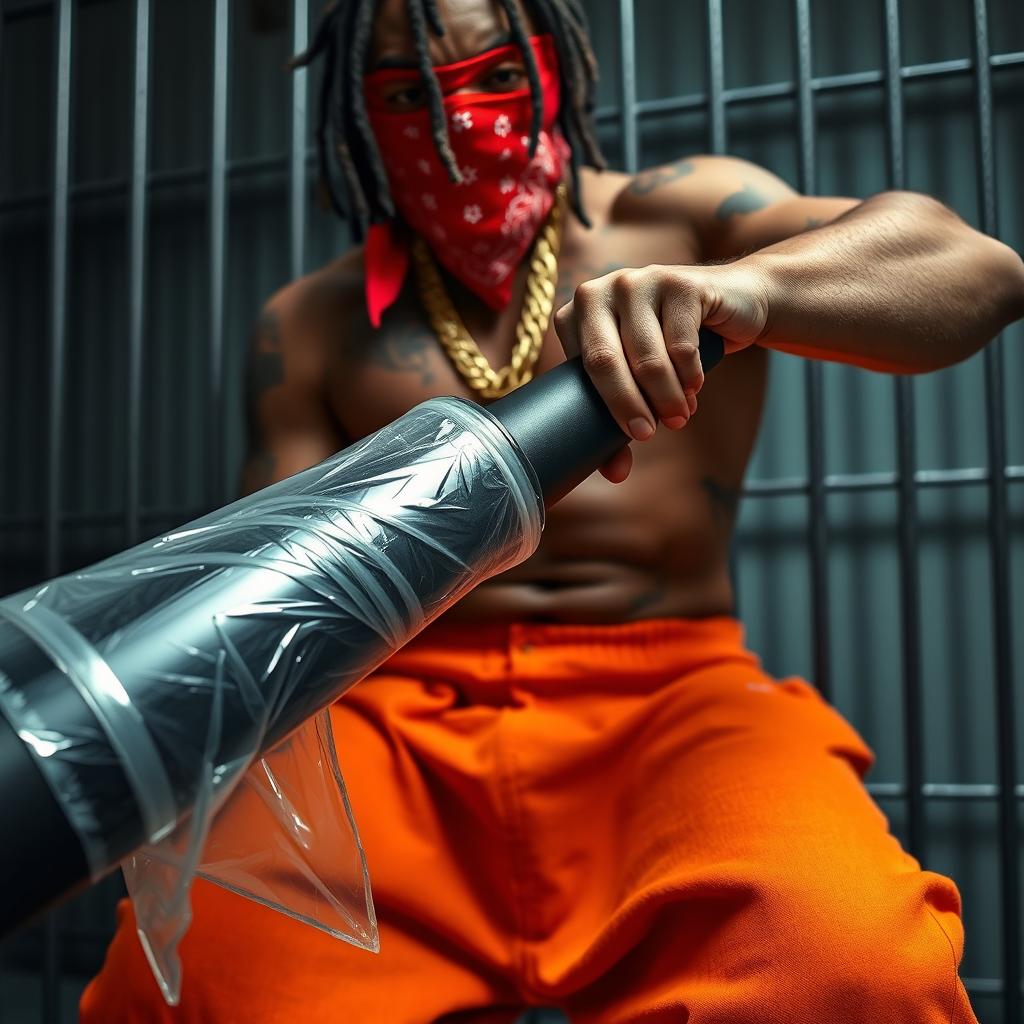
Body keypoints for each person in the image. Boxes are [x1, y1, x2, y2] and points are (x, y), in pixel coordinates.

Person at [81, 0, 1024, 1021]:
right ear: (355, 114)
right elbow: (275, 613)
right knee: (196, 995)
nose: (455, 125)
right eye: (404, 96)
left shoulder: (685, 217)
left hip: (667, 700)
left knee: (850, 971)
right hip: (388, 719)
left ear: (555, 72)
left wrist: (744, 290)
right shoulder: (309, 322)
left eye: (491, 76)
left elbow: (978, 270)